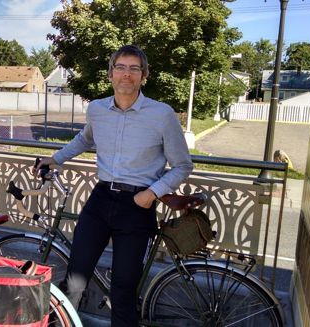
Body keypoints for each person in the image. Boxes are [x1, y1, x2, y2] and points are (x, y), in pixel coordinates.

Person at [35, 45, 193, 326]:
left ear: (144, 75)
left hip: (137, 206)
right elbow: (85, 139)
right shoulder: (97, 109)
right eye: (120, 67)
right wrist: (55, 158)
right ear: (110, 74)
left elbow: (182, 165)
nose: (127, 74)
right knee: (75, 279)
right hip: (101, 200)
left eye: (134, 69)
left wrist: (152, 193)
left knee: (123, 290)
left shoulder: (162, 114)